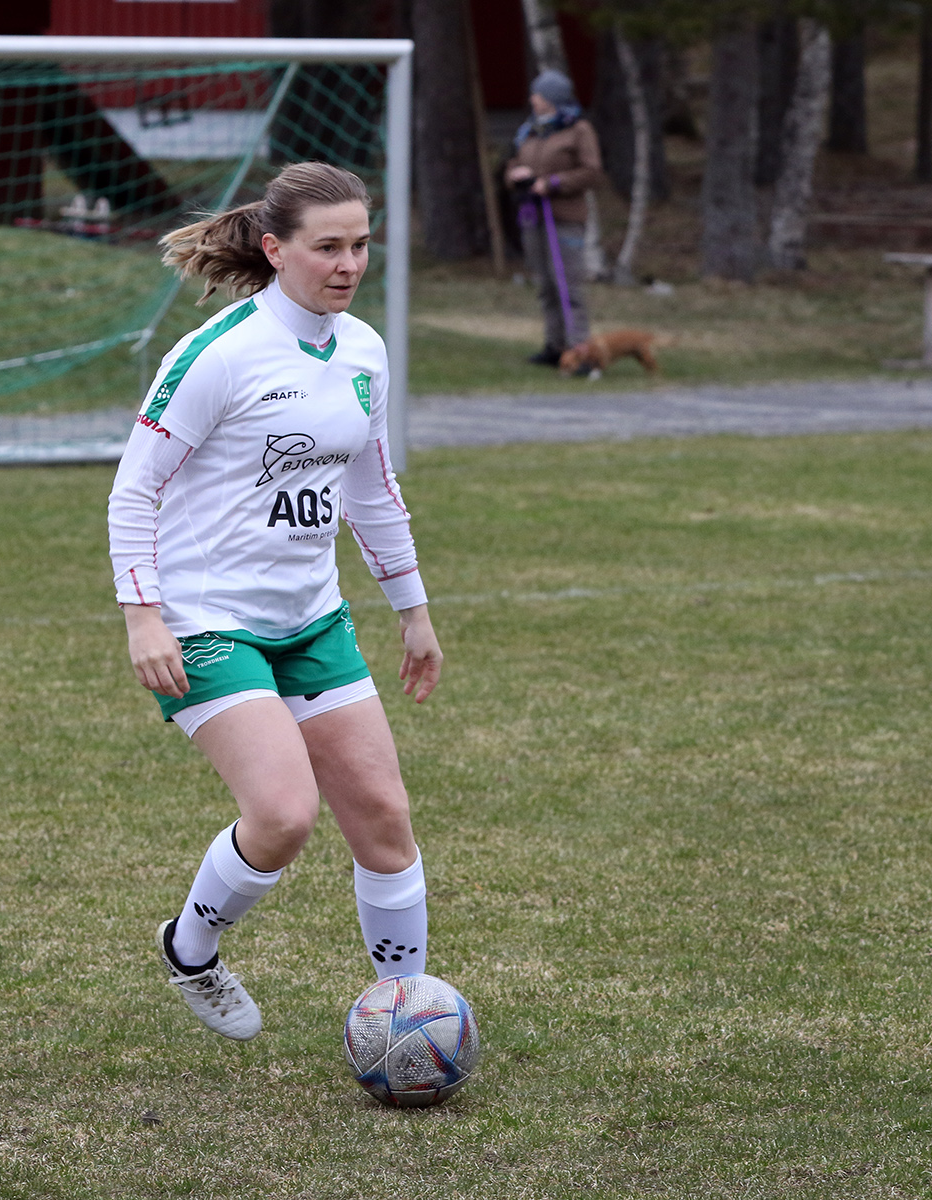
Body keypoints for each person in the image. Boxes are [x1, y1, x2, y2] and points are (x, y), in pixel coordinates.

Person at [107, 162, 444, 1041]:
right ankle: (189, 948)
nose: (348, 264)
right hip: (205, 621)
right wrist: (143, 614)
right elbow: (134, 488)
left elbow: (372, 489)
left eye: (360, 245)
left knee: (384, 818)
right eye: (327, 247)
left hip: (313, 620)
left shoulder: (362, 349)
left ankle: (403, 1015)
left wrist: (412, 610)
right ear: (274, 249)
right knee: (284, 816)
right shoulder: (218, 354)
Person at [504, 70, 605, 367]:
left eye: (539, 94)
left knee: (568, 285)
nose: (533, 99)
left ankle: (580, 349)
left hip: (564, 219)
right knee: (545, 284)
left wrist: (553, 183)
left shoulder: (578, 130)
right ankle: (555, 345)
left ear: (553, 98)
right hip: (534, 217)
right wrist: (515, 176)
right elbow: (513, 162)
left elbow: (591, 171)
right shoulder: (530, 130)